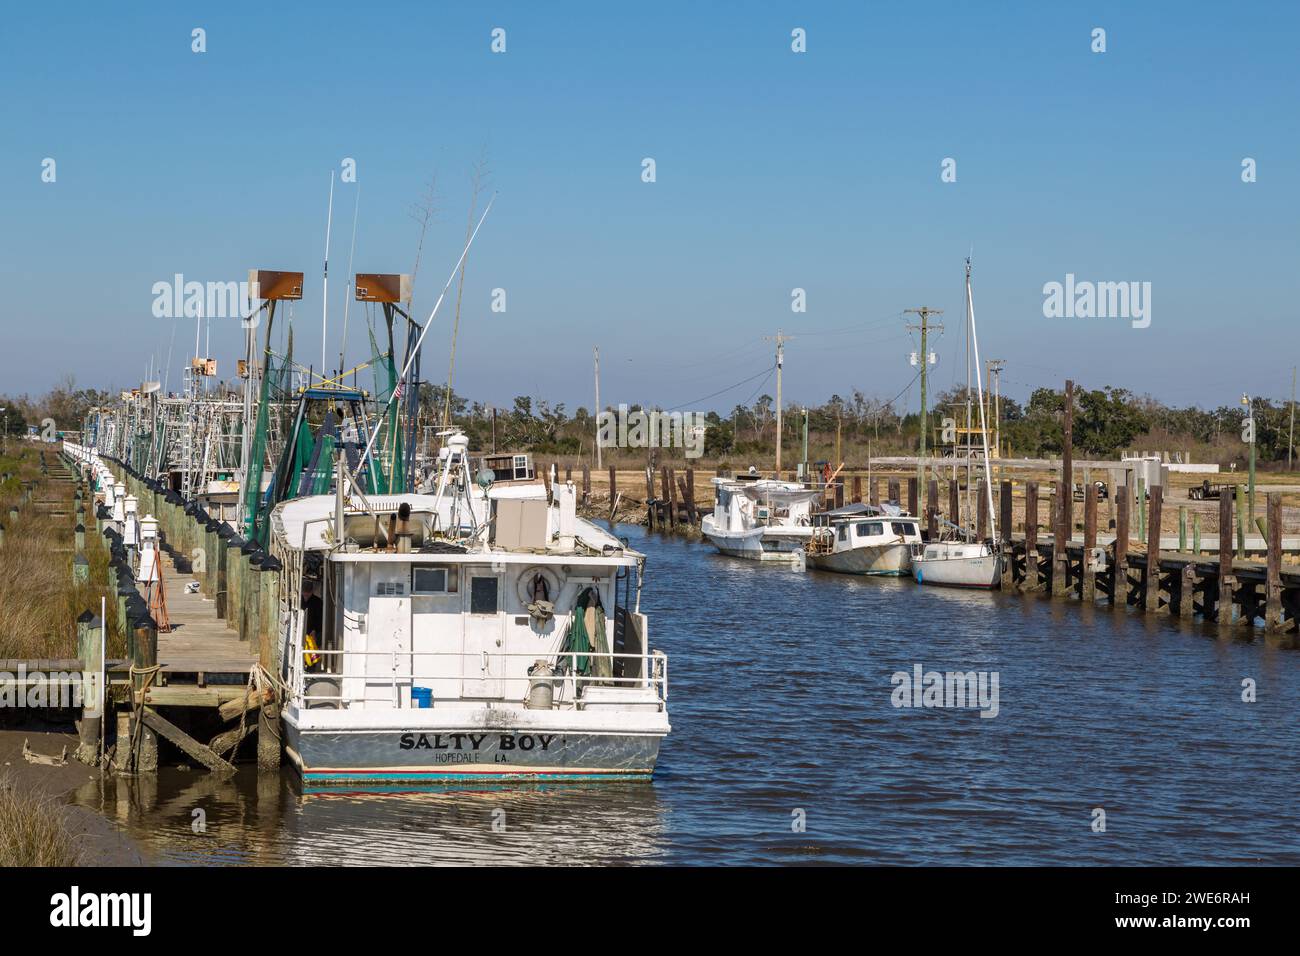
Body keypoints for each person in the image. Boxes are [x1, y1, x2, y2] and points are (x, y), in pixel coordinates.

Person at [302, 580, 324, 670]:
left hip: (313, 631)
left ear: (312, 592)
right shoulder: (299, 601)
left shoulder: (318, 602)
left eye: (308, 593)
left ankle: (311, 669)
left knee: (313, 650)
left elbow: (320, 618)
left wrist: (315, 630)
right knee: (302, 650)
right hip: (302, 629)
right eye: (304, 592)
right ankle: (303, 668)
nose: (306, 595)